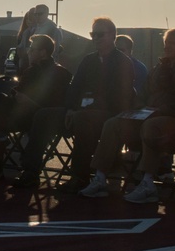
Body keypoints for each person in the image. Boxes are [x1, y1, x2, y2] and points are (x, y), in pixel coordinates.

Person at [85, 28, 175, 203]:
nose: (167, 46)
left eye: (172, 43)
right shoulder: (159, 68)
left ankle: (147, 183)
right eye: (166, 42)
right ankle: (100, 177)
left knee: (152, 126)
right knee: (113, 123)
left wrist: (163, 109)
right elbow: (143, 93)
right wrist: (137, 108)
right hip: (150, 114)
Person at [12, 16, 135, 191]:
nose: (96, 38)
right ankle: (31, 171)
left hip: (108, 114)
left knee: (83, 119)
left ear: (113, 35)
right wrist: (70, 108)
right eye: (93, 34)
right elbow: (74, 88)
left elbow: (120, 97)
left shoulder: (123, 62)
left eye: (100, 34)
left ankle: (80, 176)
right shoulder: (88, 60)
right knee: (43, 114)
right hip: (80, 110)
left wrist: (84, 107)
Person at [0, 34, 72, 181]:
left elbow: (55, 105)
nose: (29, 52)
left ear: (43, 52)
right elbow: (18, 91)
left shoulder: (60, 73)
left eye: (32, 49)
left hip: (41, 118)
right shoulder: (30, 71)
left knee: (2, 124)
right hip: (22, 115)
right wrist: (16, 96)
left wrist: (29, 102)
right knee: (1, 99)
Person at [115, 35, 149, 103]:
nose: (118, 54)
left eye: (121, 51)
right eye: (116, 51)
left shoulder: (139, 69)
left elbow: (137, 95)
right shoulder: (108, 66)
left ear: (130, 51)